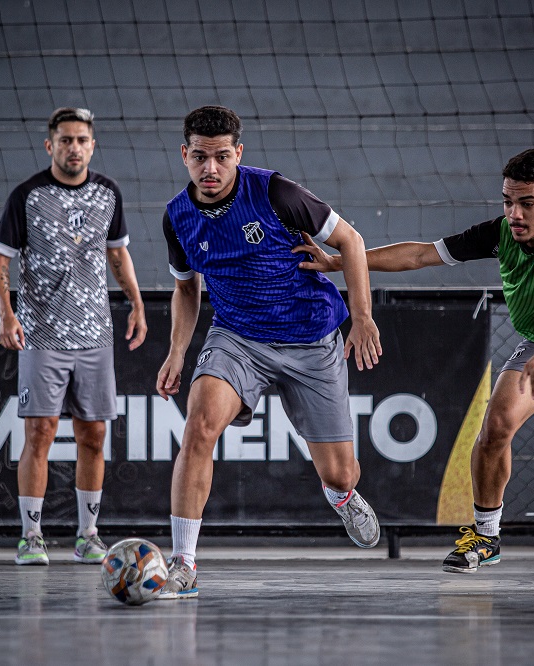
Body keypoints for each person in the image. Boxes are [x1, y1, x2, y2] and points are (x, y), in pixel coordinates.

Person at [297, 149, 534, 590]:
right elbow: (421, 255)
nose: (514, 214)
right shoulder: (501, 234)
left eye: (527, 203)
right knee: (496, 423)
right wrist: (340, 261)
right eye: (507, 201)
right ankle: (485, 535)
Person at [155, 105, 384, 599]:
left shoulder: (275, 192)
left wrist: (362, 317)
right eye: (199, 157)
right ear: (184, 156)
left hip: (310, 338)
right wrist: (177, 351)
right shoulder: (178, 216)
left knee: (341, 471)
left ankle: (340, 495)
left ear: (238, 153)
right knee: (198, 425)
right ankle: (184, 564)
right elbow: (186, 289)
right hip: (237, 338)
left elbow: (352, 240)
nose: (210, 169)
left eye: (221, 157)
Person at [0, 107, 147, 566]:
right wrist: (7, 314)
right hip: (43, 335)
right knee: (39, 433)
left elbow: (118, 256)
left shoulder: (108, 194)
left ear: (92, 146)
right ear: (50, 145)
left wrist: (136, 304)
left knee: (93, 436)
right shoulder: (28, 196)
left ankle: (88, 535)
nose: (73, 147)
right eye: (64, 140)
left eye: (81, 140)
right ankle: (31, 537)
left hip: (96, 335)